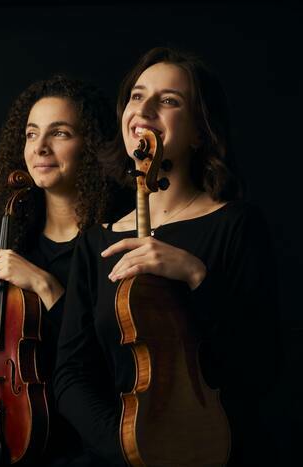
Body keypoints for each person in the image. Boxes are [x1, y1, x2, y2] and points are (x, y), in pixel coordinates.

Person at [54, 47, 278, 466]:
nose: (145, 109)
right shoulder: (95, 241)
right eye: (137, 96)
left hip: (213, 450)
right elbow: (71, 376)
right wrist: (129, 446)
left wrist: (196, 275)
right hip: (121, 453)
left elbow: (261, 365)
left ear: (199, 131)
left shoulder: (235, 225)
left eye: (169, 100)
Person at [0, 75, 117, 466]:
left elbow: (111, 360)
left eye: (60, 133)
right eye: (31, 133)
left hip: (94, 442)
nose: (39, 147)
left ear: (90, 145)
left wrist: (44, 285)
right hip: (23, 433)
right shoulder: (16, 242)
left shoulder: (114, 243)